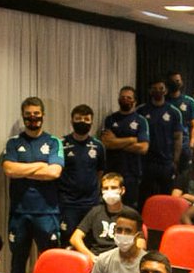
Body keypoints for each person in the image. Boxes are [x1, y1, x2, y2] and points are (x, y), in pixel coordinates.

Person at [2, 96, 65, 273]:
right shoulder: (13, 142)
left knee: (50, 259)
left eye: (36, 114)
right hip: (19, 212)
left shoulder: (54, 142)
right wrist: (40, 166)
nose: (32, 118)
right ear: (23, 116)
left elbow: (54, 172)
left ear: (43, 115)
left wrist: (22, 170)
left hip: (47, 212)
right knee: (18, 261)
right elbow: (9, 169)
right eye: (28, 115)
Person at [58, 104, 107, 245]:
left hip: (91, 203)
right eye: (78, 119)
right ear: (72, 121)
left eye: (86, 119)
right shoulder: (61, 143)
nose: (82, 122)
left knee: (90, 241)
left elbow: (100, 172)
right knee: (67, 241)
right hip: (68, 203)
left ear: (91, 122)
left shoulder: (98, 146)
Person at [70, 173, 144, 258]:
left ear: (122, 190)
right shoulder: (95, 212)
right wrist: (91, 257)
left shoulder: (131, 214)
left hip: (121, 258)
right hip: (97, 258)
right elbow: (75, 238)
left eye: (113, 188)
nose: (109, 191)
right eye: (106, 188)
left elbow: (141, 243)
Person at [87, 208, 145, 273]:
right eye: (119, 230)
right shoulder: (103, 259)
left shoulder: (147, 263)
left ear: (137, 235)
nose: (122, 234)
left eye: (128, 231)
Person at [136, 80, 184, 207]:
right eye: (154, 88)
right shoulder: (141, 110)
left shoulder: (174, 112)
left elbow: (178, 138)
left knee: (166, 197)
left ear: (165, 91)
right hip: (146, 162)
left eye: (161, 88)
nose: (158, 91)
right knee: (144, 197)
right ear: (150, 91)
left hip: (166, 162)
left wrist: (176, 160)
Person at [101, 86, 150, 209]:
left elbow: (143, 148)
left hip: (132, 173)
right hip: (112, 170)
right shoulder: (110, 119)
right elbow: (107, 143)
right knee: (110, 206)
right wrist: (131, 140)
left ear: (135, 101)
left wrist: (116, 142)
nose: (125, 100)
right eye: (122, 97)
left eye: (129, 98)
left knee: (129, 208)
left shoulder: (141, 121)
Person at [166, 72, 194, 170]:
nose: (175, 83)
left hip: (184, 144)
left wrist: (191, 145)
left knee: (184, 174)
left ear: (181, 82)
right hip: (167, 144)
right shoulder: (164, 100)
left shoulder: (189, 101)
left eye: (177, 80)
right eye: (172, 81)